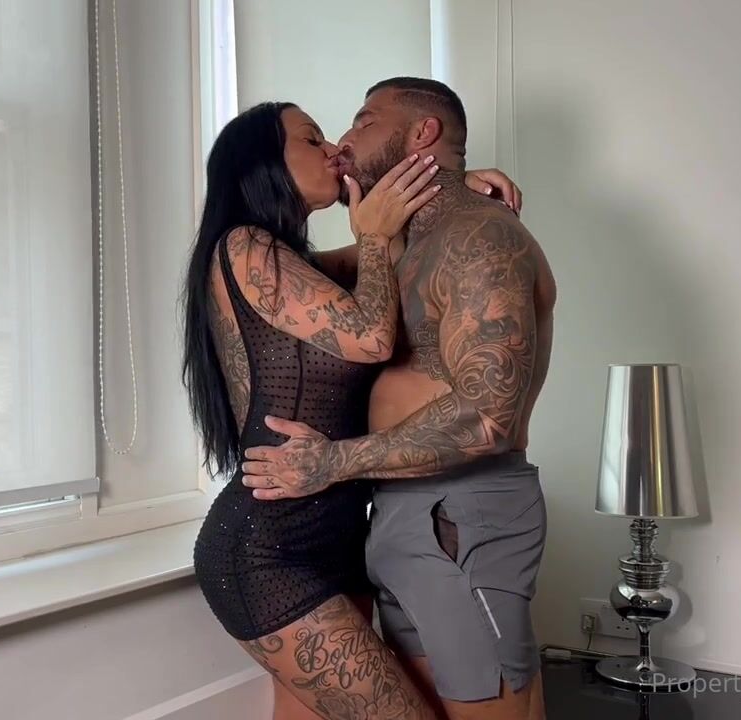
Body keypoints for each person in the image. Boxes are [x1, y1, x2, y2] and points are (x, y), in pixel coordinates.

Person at [181, 100, 521, 720]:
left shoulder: (290, 261)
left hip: (335, 538)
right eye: (311, 139)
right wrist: (375, 233)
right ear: (264, 164)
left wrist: (447, 184)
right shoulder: (245, 245)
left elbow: (383, 261)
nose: (334, 149)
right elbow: (371, 336)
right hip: (268, 553)